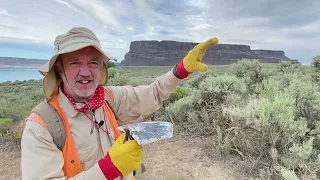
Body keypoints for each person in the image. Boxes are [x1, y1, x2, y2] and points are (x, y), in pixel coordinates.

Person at [20, 27, 219, 180]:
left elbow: (153, 93)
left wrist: (181, 70)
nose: (85, 72)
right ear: (59, 70)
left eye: (93, 62)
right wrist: (108, 169)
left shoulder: (108, 98)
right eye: (75, 62)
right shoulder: (42, 126)